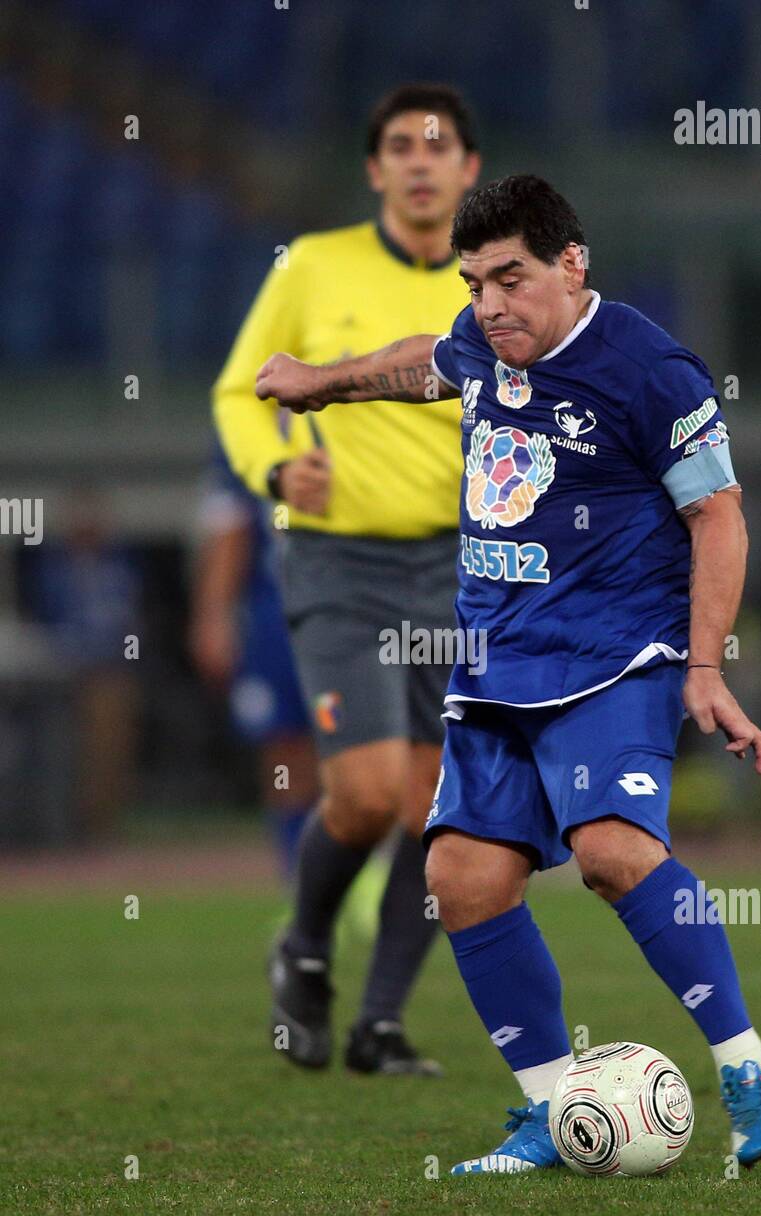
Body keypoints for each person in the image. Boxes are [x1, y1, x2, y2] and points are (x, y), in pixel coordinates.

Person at [254, 173, 761, 1168]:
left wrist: (704, 665)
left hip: (612, 652)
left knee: (608, 850)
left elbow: (717, 514)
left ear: (570, 263)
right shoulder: (482, 343)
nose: (490, 304)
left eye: (509, 277)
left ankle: (752, 1071)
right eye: (473, 283)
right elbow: (426, 363)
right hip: (496, 657)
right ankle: (554, 1111)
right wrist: (318, 379)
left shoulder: (650, 370)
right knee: (459, 875)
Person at [213, 84, 481, 1075]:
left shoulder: (482, 283)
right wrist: (275, 471)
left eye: (437, 145)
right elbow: (238, 391)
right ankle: (306, 940)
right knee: (365, 795)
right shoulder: (311, 265)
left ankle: (377, 1023)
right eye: (399, 146)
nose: (418, 161)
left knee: (438, 809)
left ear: (467, 171)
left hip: (460, 566)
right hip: (340, 560)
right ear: (373, 170)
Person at [189, 440, 318, 884]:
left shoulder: (355, 400)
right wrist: (214, 615)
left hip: (350, 604)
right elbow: (231, 525)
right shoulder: (245, 420)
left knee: (361, 754)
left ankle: (360, 881)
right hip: (274, 614)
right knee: (285, 751)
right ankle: (301, 885)